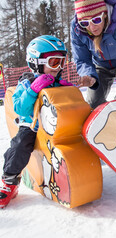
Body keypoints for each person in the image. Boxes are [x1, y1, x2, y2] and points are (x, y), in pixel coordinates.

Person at [0, 35, 72, 208]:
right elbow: (19, 107)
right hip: (33, 126)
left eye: (62, 62)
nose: (59, 68)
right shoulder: (26, 83)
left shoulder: (57, 83)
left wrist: (69, 92)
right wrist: (33, 90)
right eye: (54, 62)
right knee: (20, 145)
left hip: (57, 126)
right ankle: (9, 181)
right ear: (36, 62)